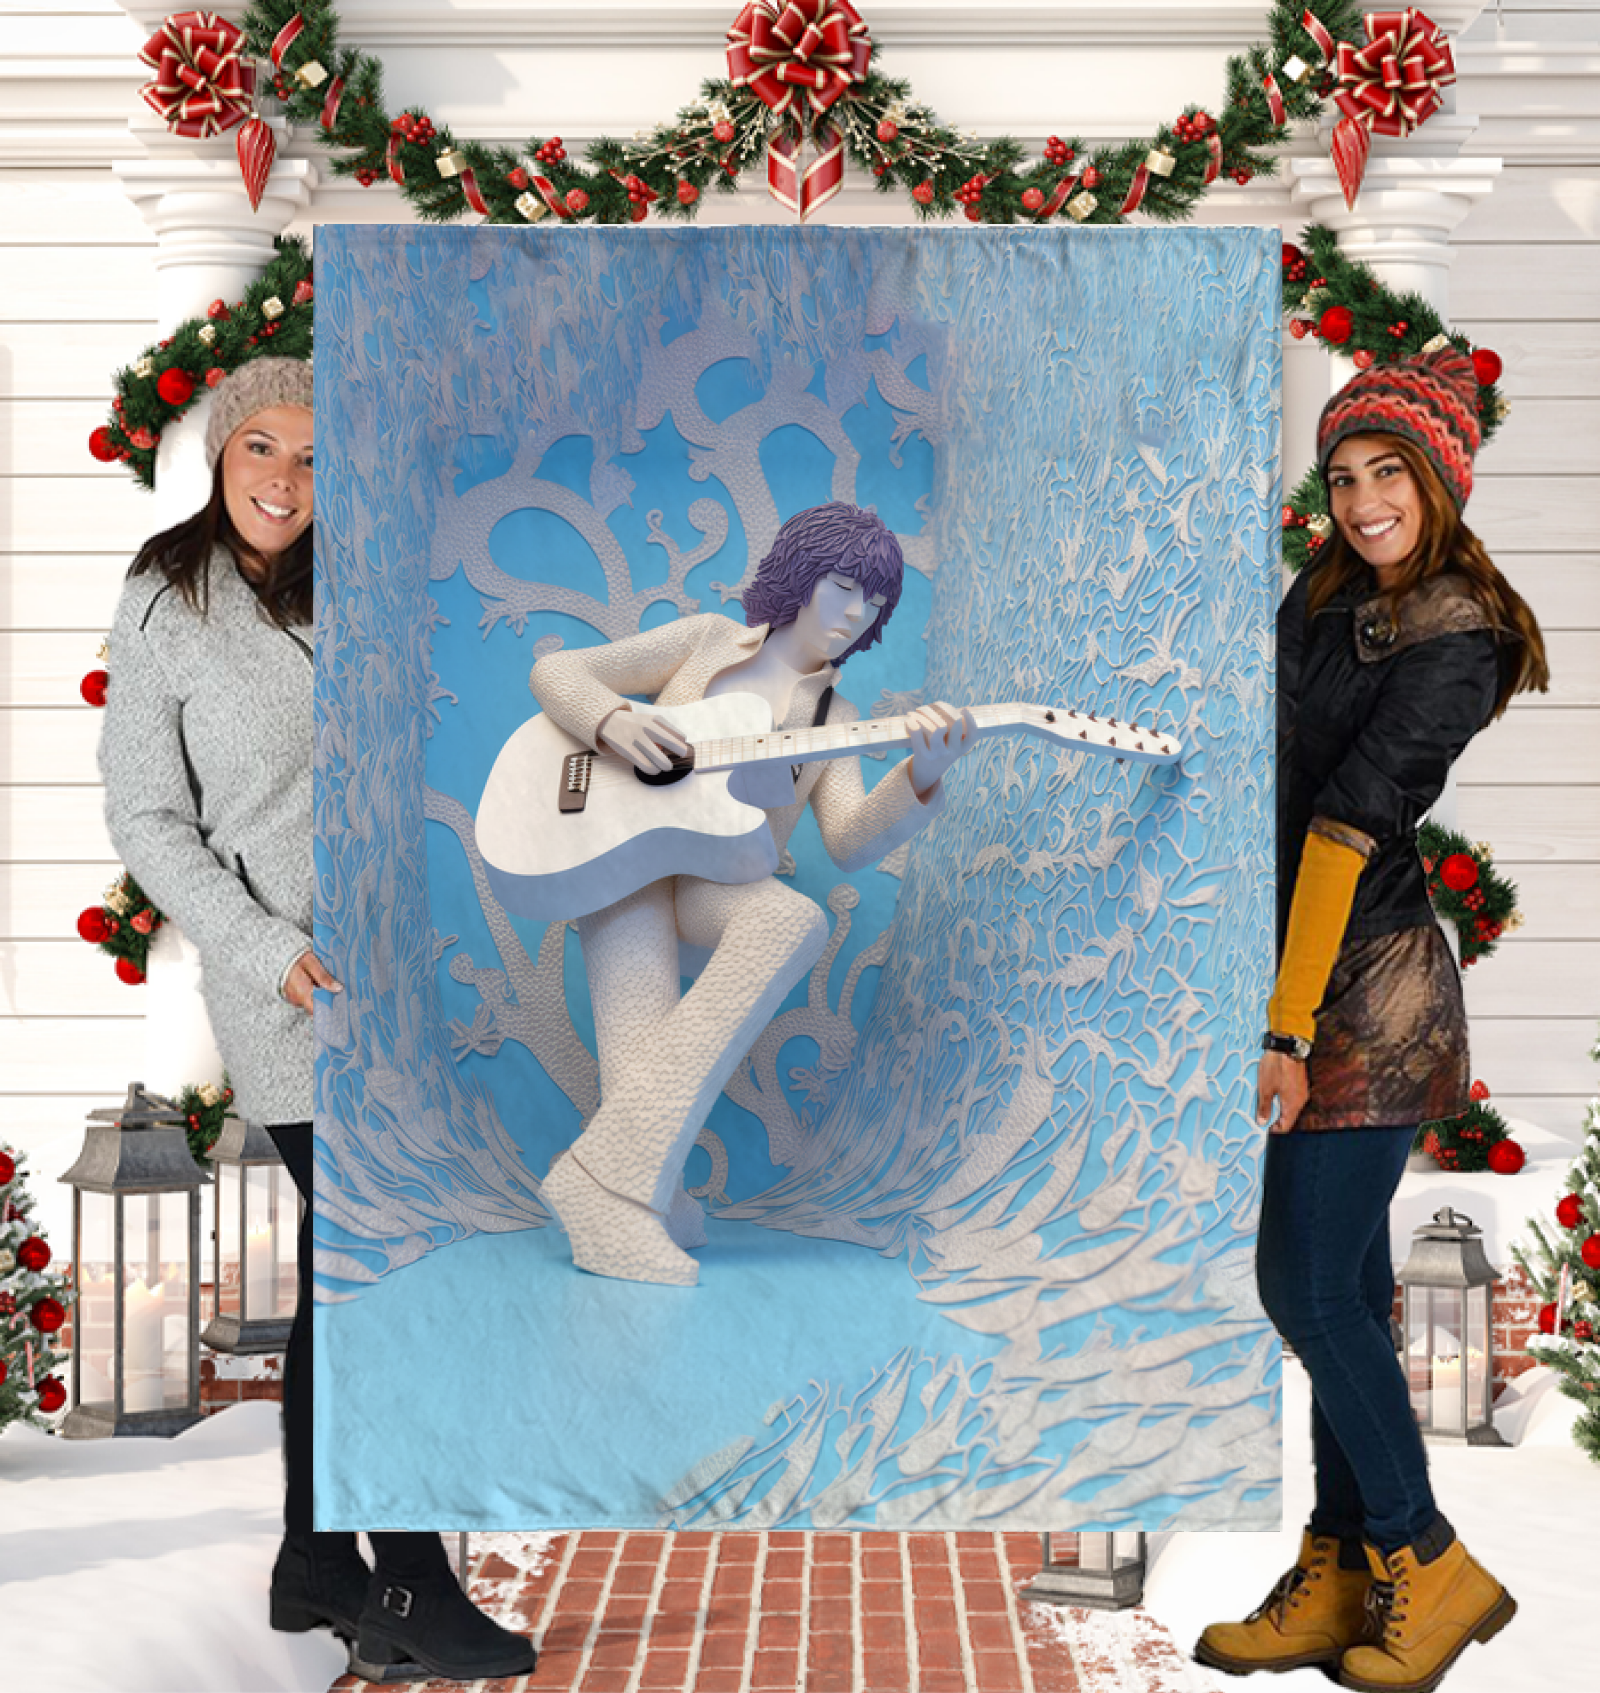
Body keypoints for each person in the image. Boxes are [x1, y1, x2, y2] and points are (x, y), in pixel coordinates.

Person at [98, 358, 536, 1685]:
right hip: (292, 992)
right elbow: (148, 820)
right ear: (223, 456)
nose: (288, 480)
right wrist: (265, 949)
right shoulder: (166, 597)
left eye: (315, 455)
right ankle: (402, 1573)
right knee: (381, 1272)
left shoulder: (370, 586)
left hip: (405, 970)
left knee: (360, 1277)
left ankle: (312, 1559)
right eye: (263, 449)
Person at [1195, 349, 1549, 1692]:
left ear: (1439, 480)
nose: (1359, 500)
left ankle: (1426, 1555)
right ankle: (1341, 1568)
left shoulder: (1459, 634)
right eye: (1343, 477)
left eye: (1386, 472)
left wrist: (1287, 1029)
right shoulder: (1330, 597)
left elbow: (1348, 825)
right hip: (1300, 962)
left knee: (1299, 1283)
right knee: (1337, 1287)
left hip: (1375, 992)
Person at [530, 501, 977, 1286]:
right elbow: (557, 671)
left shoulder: (832, 718)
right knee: (638, 1071)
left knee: (789, 916)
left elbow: (848, 839)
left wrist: (922, 775)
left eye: (872, 602)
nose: (854, 612)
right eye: (843, 585)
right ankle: (631, 1205)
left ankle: (597, 1181)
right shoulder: (705, 640)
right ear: (803, 576)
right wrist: (610, 723)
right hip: (618, 863)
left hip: (717, 885)